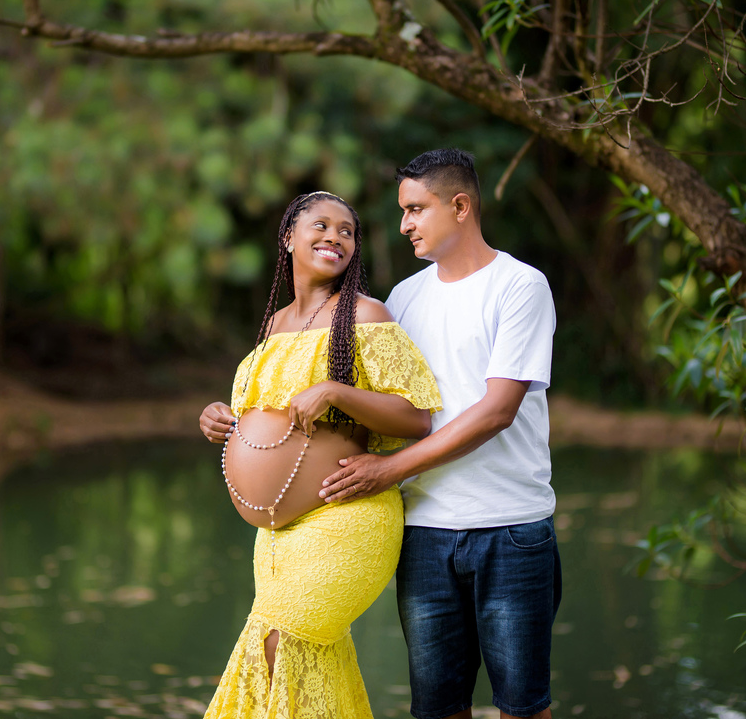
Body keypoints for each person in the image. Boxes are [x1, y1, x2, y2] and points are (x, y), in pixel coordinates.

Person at [319, 149, 560, 719]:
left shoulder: (520, 285)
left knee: (523, 708)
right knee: (436, 709)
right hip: (424, 532)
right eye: (403, 211)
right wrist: (241, 418)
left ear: (460, 206)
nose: (404, 224)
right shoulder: (403, 299)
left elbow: (497, 410)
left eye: (416, 209)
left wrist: (390, 470)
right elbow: (368, 401)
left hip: (511, 527)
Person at [198, 191, 442, 719]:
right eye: (322, 225)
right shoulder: (273, 326)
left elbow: (416, 417)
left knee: (281, 639)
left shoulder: (366, 315)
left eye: (347, 231)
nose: (335, 237)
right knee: (293, 659)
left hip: (347, 514)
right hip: (277, 538)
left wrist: (337, 392)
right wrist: (219, 418)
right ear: (289, 236)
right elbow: (256, 417)